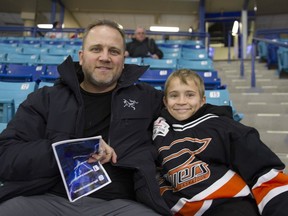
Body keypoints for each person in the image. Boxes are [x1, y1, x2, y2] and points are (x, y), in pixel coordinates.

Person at [0, 19, 171, 216]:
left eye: (113, 51)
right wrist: (73, 149)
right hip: (48, 198)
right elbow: (5, 156)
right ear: (81, 57)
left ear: (123, 60)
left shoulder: (147, 98)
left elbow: (194, 116)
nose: (104, 57)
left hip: (120, 204)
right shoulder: (46, 98)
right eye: (96, 49)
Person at [153, 69, 288, 216]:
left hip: (228, 205)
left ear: (202, 100)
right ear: (165, 101)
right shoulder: (157, 129)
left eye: (190, 95)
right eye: (174, 96)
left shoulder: (224, 127)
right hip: (177, 208)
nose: (181, 102)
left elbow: (264, 172)